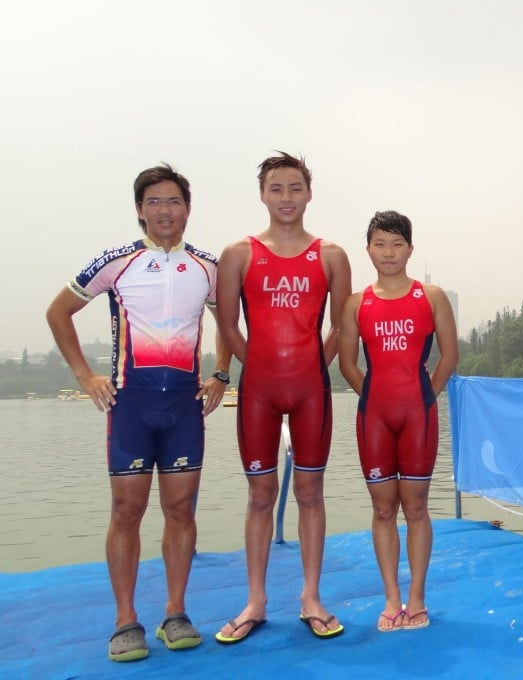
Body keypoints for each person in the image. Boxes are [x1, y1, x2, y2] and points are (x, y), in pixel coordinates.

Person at [46, 164, 231, 662]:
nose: (164, 210)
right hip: (131, 404)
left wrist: (221, 373)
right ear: (139, 210)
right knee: (127, 511)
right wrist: (86, 376)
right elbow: (57, 311)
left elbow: (229, 321)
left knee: (181, 511)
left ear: (187, 209)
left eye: (173, 201)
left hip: (185, 406)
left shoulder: (208, 267)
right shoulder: (118, 262)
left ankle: (176, 613)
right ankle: (125, 620)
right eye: (154, 202)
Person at [215, 152, 352, 643]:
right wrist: (257, 367)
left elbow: (342, 325)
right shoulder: (238, 254)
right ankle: (255, 600)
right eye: (276, 188)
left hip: (312, 388)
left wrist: (314, 365)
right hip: (259, 390)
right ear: (262, 195)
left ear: (309, 194)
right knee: (260, 495)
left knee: (311, 493)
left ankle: (311, 597)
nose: (287, 198)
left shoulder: (331, 255)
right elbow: (227, 325)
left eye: (295, 188)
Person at [338, 210, 459, 632]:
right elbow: (347, 364)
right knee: (383, 508)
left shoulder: (431, 297)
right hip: (374, 418)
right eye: (380, 244)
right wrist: (373, 398)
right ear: (368, 249)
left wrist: (424, 397)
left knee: (417, 507)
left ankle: (417, 597)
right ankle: (391, 598)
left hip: (417, 416)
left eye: (397, 244)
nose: (388, 252)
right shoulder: (356, 303)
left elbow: (449, 357)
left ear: (410, 249)